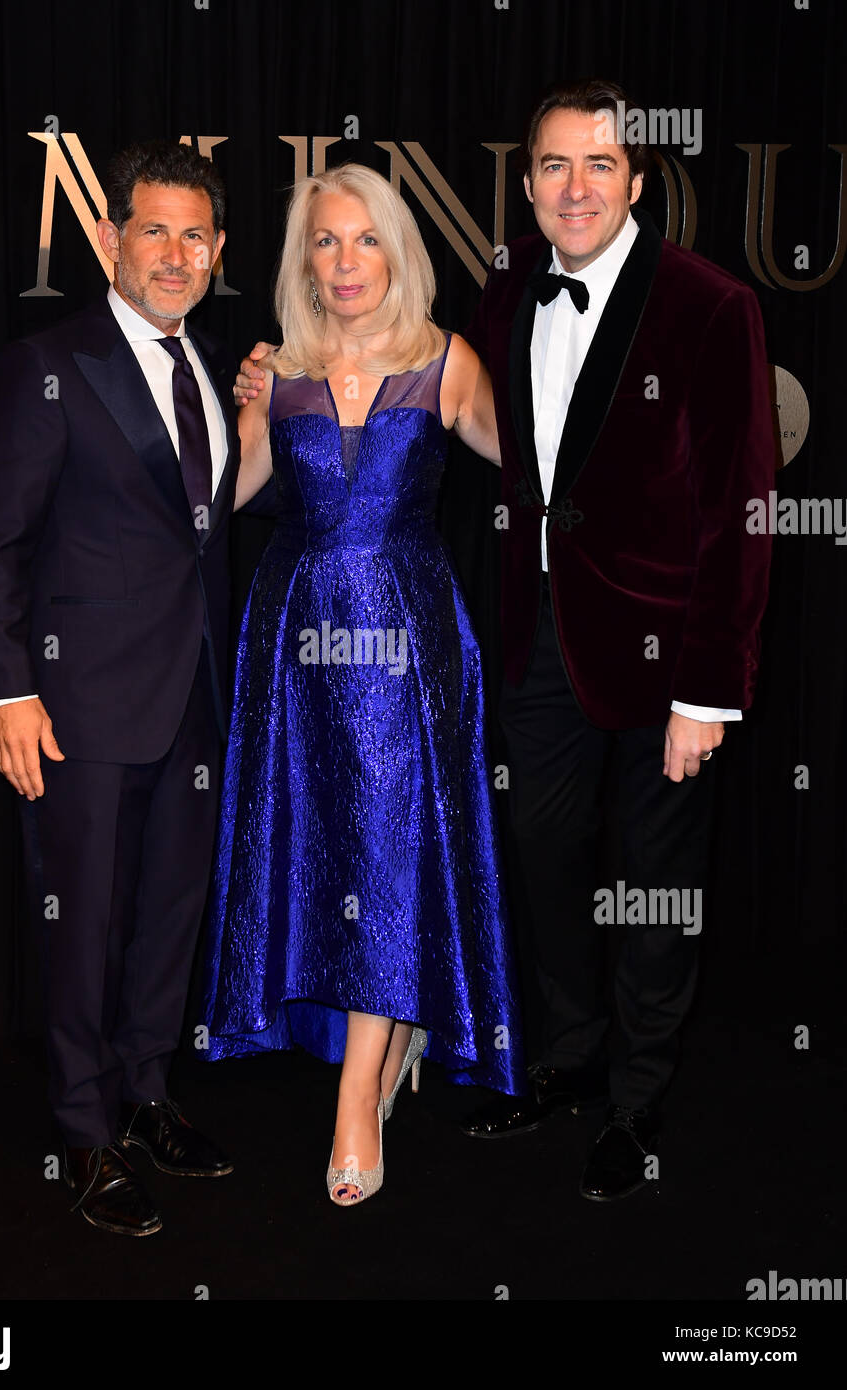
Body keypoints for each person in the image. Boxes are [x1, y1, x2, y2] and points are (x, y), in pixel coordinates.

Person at [457, 79, 774, 1199]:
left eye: (597, 165)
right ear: (529, 181)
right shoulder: (506, 292)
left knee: (652, 886)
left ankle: (636, 1107)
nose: (574, 187)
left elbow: (741, 510)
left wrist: (708, 691)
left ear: (637, 181)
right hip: (542, 638)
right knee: (541, 856)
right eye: (552, 166)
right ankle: (566, 1059)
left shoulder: (707, 304)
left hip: (666, 654)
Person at [200, 163, 525, 1206]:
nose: (344, 263)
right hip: (292, 638)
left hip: (406, 639)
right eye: (325, 243)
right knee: (317, 839)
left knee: (388, 847)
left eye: (364, 240)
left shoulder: (447, 362)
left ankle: (357, 1098)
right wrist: (219, 397)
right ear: (304, 260)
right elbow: (226, 496)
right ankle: (381, 1050)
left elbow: (545, 475)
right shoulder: (277, 370)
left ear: (398, 250)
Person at [0, 141, 240, 1236]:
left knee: (170, 914)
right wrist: (7, 695)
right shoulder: (47, 363)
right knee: (82, 921)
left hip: (197, 699)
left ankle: (147, 1093)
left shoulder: (216, 367)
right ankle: (83, 1132)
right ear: (109, 238)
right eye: (154, 230)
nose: (174, 255)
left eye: (195, 235)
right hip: (77, 709)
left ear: (218, 250)